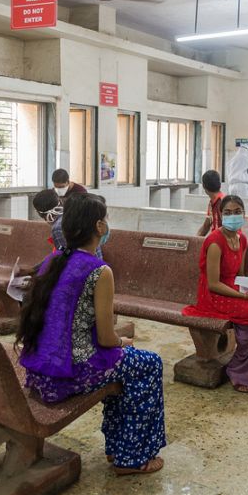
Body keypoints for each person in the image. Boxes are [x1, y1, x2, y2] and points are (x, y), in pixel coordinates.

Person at [17, 193, 166, 475]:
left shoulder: (53, 260)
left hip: (40, 373)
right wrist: (122, 341)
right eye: (105, 219)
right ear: (99, 226)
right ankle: (131, 458)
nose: (108, 224)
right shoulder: (99, 271)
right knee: (149, 364)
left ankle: (118, 447)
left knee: (127, 365)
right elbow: (106, 339)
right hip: (70, 374)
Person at [183, 195, 248, 392]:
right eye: (228, 212)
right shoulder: (214, 241)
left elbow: (240, 276)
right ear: (221, 215)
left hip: (234, 291)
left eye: (237, 212)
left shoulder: (241, 239)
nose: (233, 216)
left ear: (244, 214)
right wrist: (245, 297)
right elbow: (213, 284)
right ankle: (239, 372)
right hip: (214, 296)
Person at [33, 188, 102, 258]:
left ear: (40, 214)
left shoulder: (58, 228)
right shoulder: (73, 213)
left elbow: (67, 256)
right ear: (60, 201)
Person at [197, 170, 225, 236]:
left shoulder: (223, 203)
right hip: (214, 239)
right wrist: (194, 239)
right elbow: (206, 226)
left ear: (204, 186)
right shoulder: (212, 203)